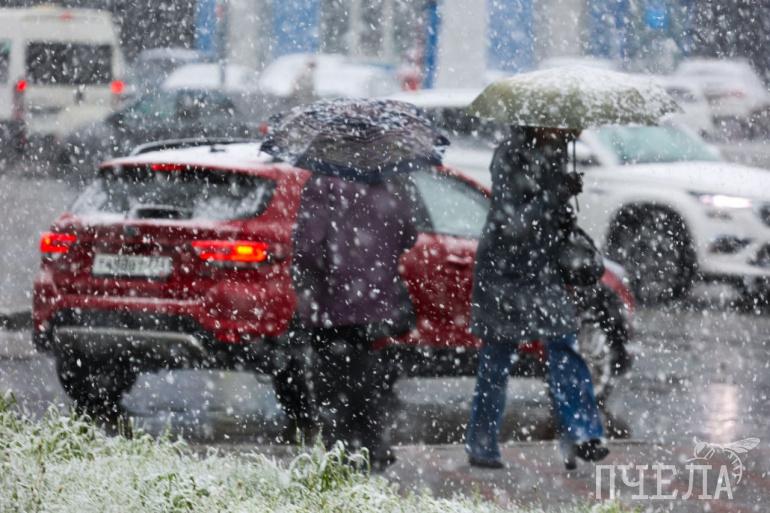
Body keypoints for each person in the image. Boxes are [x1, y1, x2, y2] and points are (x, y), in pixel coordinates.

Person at [465, 125, 608, 470]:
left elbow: (547, 220)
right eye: (560, 126)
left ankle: (582, 435)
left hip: (543, 272)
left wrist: (565, 205)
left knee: (564, 346)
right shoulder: (510, 156)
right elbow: (512, 224)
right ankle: (482, 445)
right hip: (504, 274)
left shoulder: (556, 152)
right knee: (497, 360)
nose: (569, 130)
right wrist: (553, 196)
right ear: (538, 122)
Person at [283, 173, 418, 469]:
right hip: (377, 300)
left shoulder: (324, 182)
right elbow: (409, 235)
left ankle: (340, 454)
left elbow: (308, 247)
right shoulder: (391, 180)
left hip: (332, 303)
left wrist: (311, 279)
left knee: (333, 385)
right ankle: (374, 447)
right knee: (369, 375)